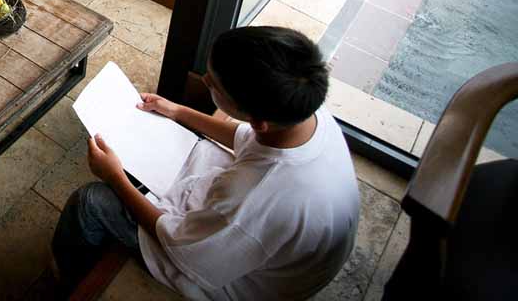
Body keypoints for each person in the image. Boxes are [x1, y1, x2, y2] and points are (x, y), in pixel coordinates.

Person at [52, 25, 360, 300]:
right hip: (274, 246)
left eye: (214, 85)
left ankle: (71, 280)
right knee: (155, 156)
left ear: (259, 121)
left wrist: (115, 178)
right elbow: (244, 136)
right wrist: (178, 111)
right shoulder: (303, 109)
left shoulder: (256, 197)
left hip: (243, 282)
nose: (204, 79)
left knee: (90, 202)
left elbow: (182, 248)